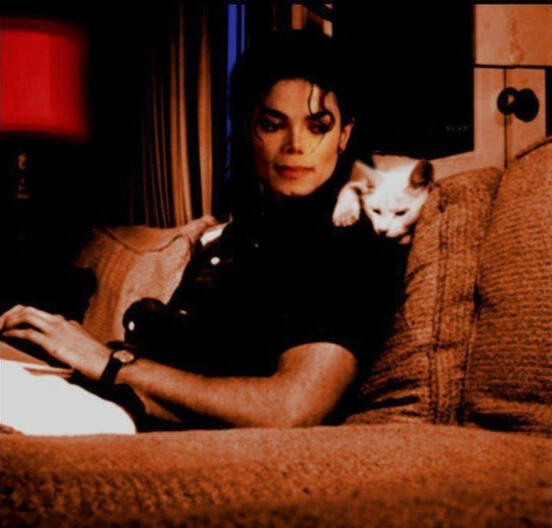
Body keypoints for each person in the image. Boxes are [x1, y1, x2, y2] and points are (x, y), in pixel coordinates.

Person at [0, 31, 401, 430]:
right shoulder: (240, 237)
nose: (296, 144)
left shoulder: (351, 242)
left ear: (344, 135)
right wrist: (72, 351)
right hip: (105, 397)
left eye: (317, 127)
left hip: (139, 425)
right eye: (273, 124)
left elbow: (291, 407)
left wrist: (108, 364)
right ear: (249, 131)